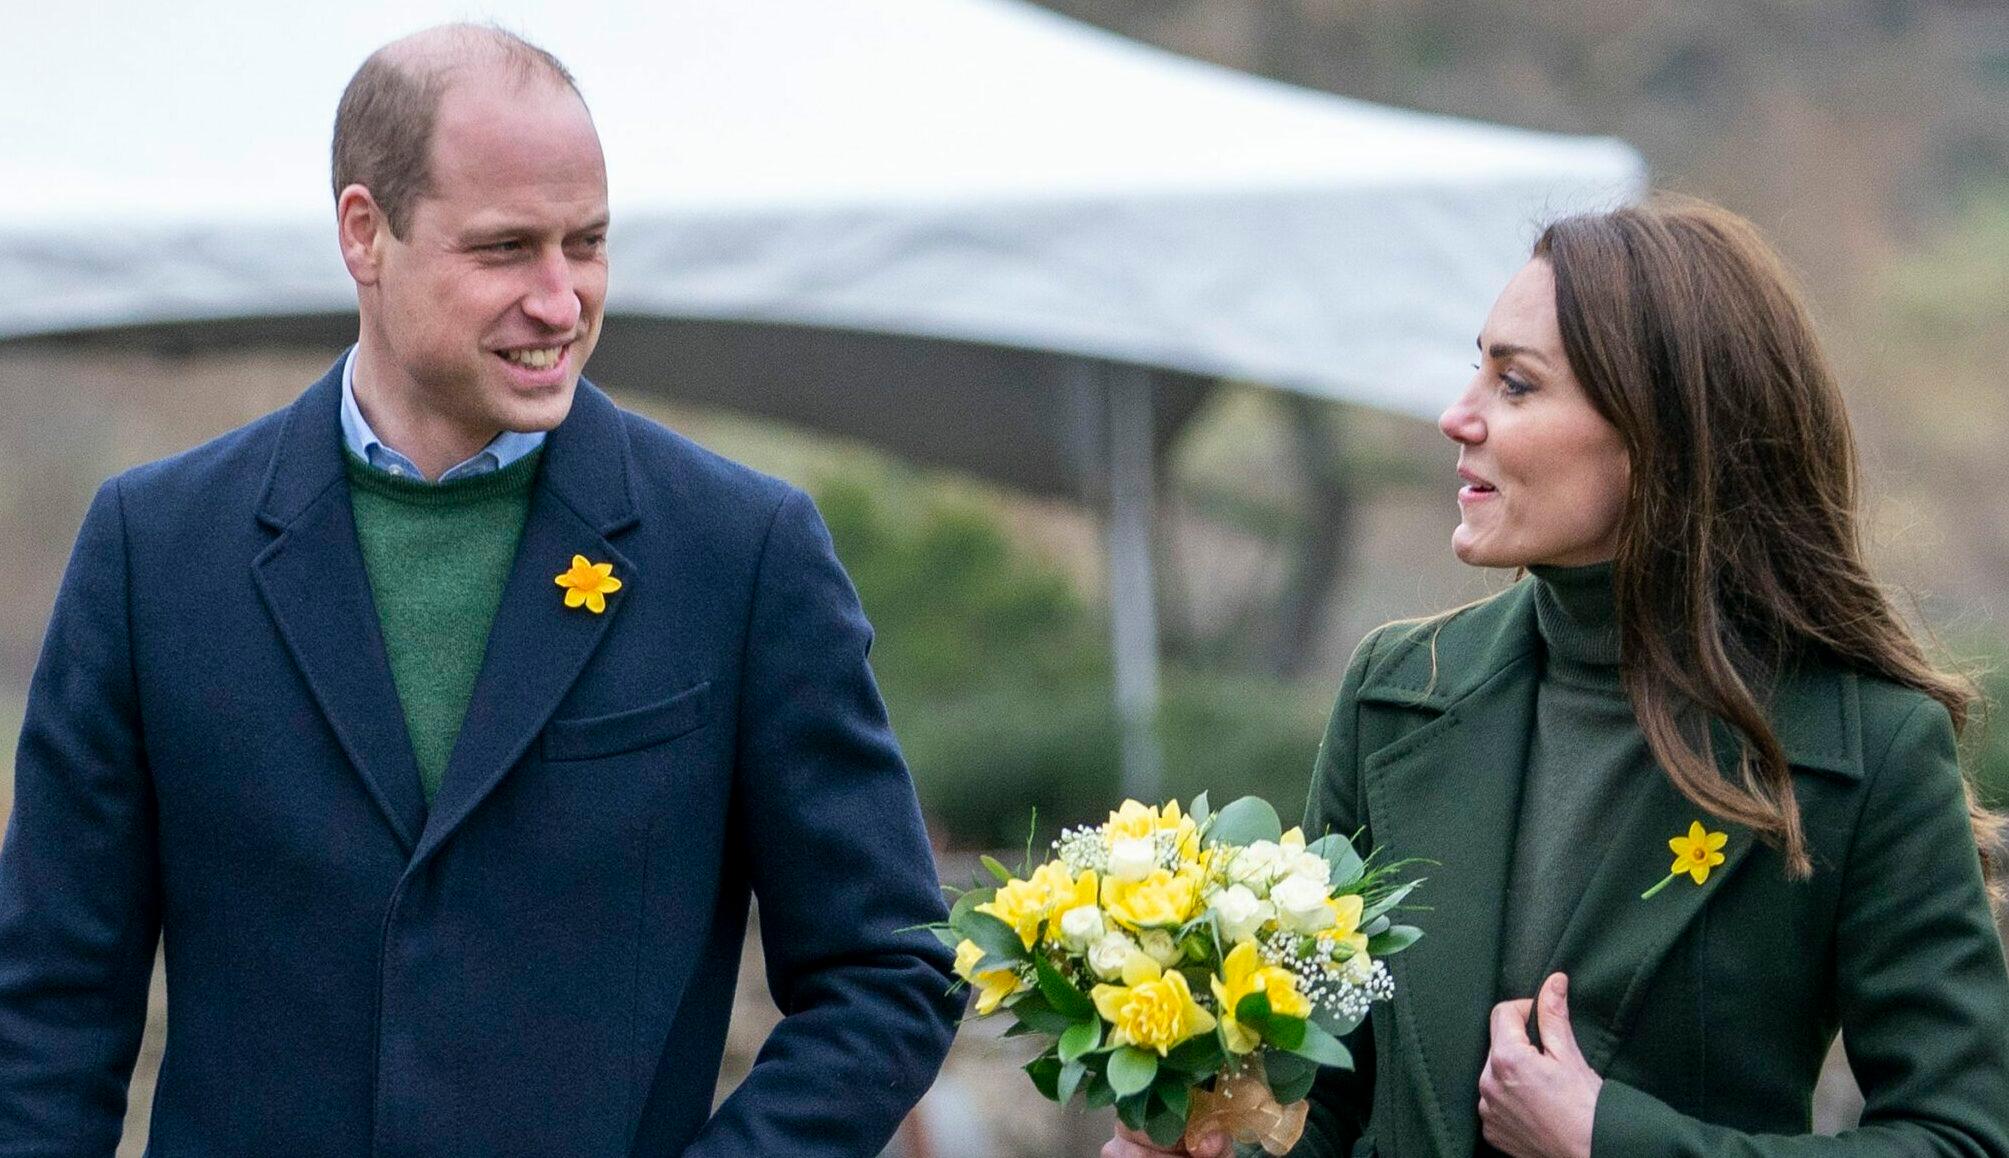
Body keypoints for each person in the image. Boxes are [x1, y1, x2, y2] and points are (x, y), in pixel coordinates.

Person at [0, 24, 960, 1156]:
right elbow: (48, 1008)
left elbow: (886, 968)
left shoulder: (743, 551)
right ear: (366, 233)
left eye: (586, 243)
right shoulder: (150, 551)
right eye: (506, 249)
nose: (561, 301)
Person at [1108, 194, 2009, 1158]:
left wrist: (1609, 1141)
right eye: (1476, 372)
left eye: (1517, 385)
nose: (1458, 418)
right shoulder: (1396, 690)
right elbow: (1329, 1098)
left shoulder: (1863, 744)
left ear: (1657, 431)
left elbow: (1955, 1141)